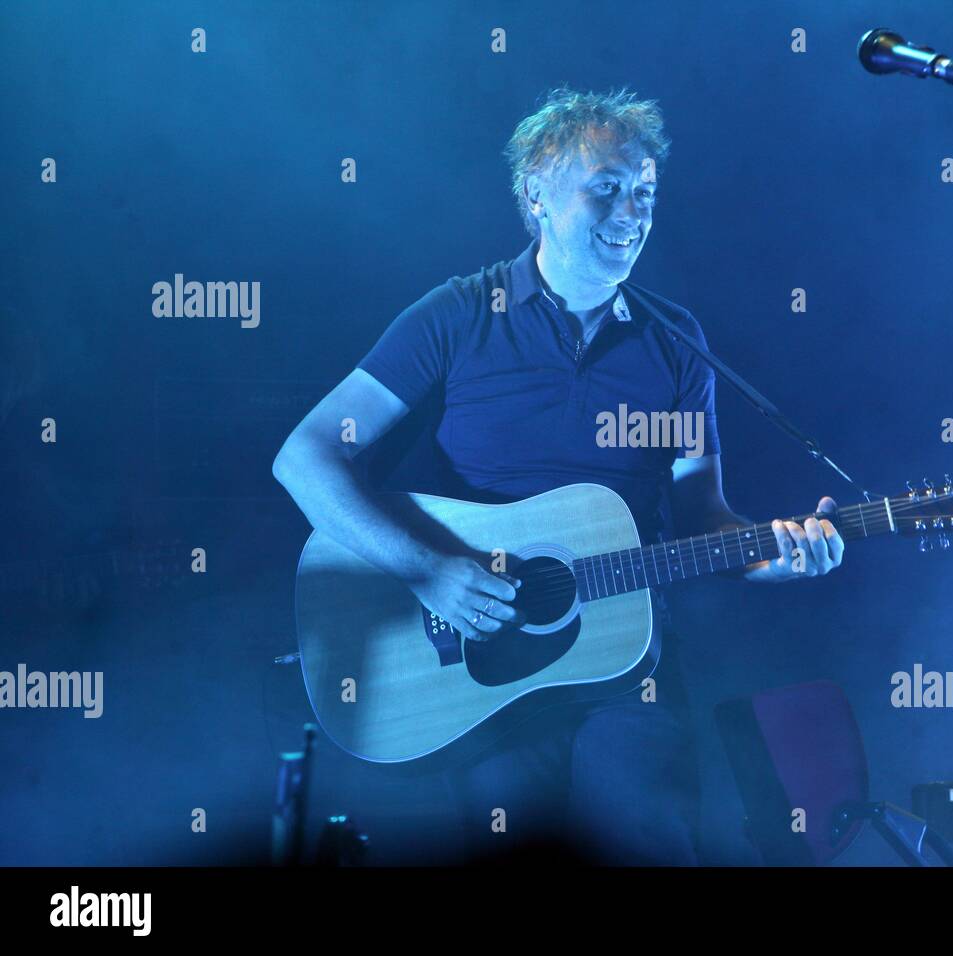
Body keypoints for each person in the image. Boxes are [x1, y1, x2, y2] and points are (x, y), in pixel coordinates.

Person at [272, 88, 845, 864]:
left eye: (645, 192)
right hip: (483, 669)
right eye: (606, 187)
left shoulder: (677, 342)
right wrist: (427, 570)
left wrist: (775, 554)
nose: (632, 212)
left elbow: (704, 518)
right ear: (537, 193)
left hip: (629, 665)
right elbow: (305, 455)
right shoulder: (458, 315)